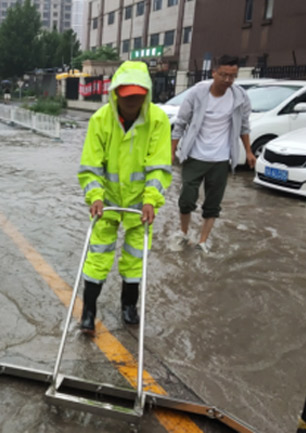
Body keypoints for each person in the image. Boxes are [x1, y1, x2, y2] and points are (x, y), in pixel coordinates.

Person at [78, 60, 172, 333]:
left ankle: (129, 305)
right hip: (106, 201)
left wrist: (150, 200)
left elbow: (159, 166)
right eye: (127, 96)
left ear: (146, 94)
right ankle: (89, 310)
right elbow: (90, 167)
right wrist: (95, 196)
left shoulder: (157, 120)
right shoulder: (100, 120)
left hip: (139, 204)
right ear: (116, 93)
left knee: (135, 256)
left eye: (138, 96)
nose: (132, 102)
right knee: (98, 255)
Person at [171, 55, 256, 253]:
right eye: (224, 75)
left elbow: (244, 126)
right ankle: (184, 234)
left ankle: (202, 241)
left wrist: (249, 152)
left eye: (232, 76)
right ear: (214, 72)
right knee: (186, 200)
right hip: (194, 156)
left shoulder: (239, 97)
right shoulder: (198, 93)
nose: (228, 80)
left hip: (220, 159)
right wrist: (172, 150)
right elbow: (181, 123)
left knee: (213, 204)